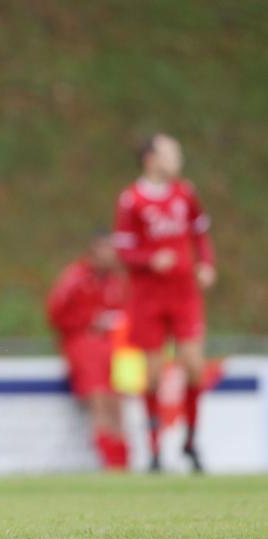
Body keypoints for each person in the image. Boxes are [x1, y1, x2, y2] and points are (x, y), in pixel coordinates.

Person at [112, 133, 216, 472]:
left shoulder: (185, 193)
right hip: (148, 297)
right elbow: (124, 250)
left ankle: (191, 441)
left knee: (194, 366)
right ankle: (155, 451)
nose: (177, 160)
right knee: (154, 373)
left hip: (184, 293)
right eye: (171, 154)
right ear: (151, 159)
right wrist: (149, 260)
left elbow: (200, 233)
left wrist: (205, 264)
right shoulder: (131, 201)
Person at [47, 234, 128, 469]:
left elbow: (128, 312)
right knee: (98, 397)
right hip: (83, 343)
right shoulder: (75, 277)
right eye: (106, 250)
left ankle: (122, 459)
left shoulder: (117, 280)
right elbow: (56, 313)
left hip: (113, 346)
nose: (111, 256)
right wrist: (89, 322)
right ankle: (108, 458)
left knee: (117, 399)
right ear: (93, 252)